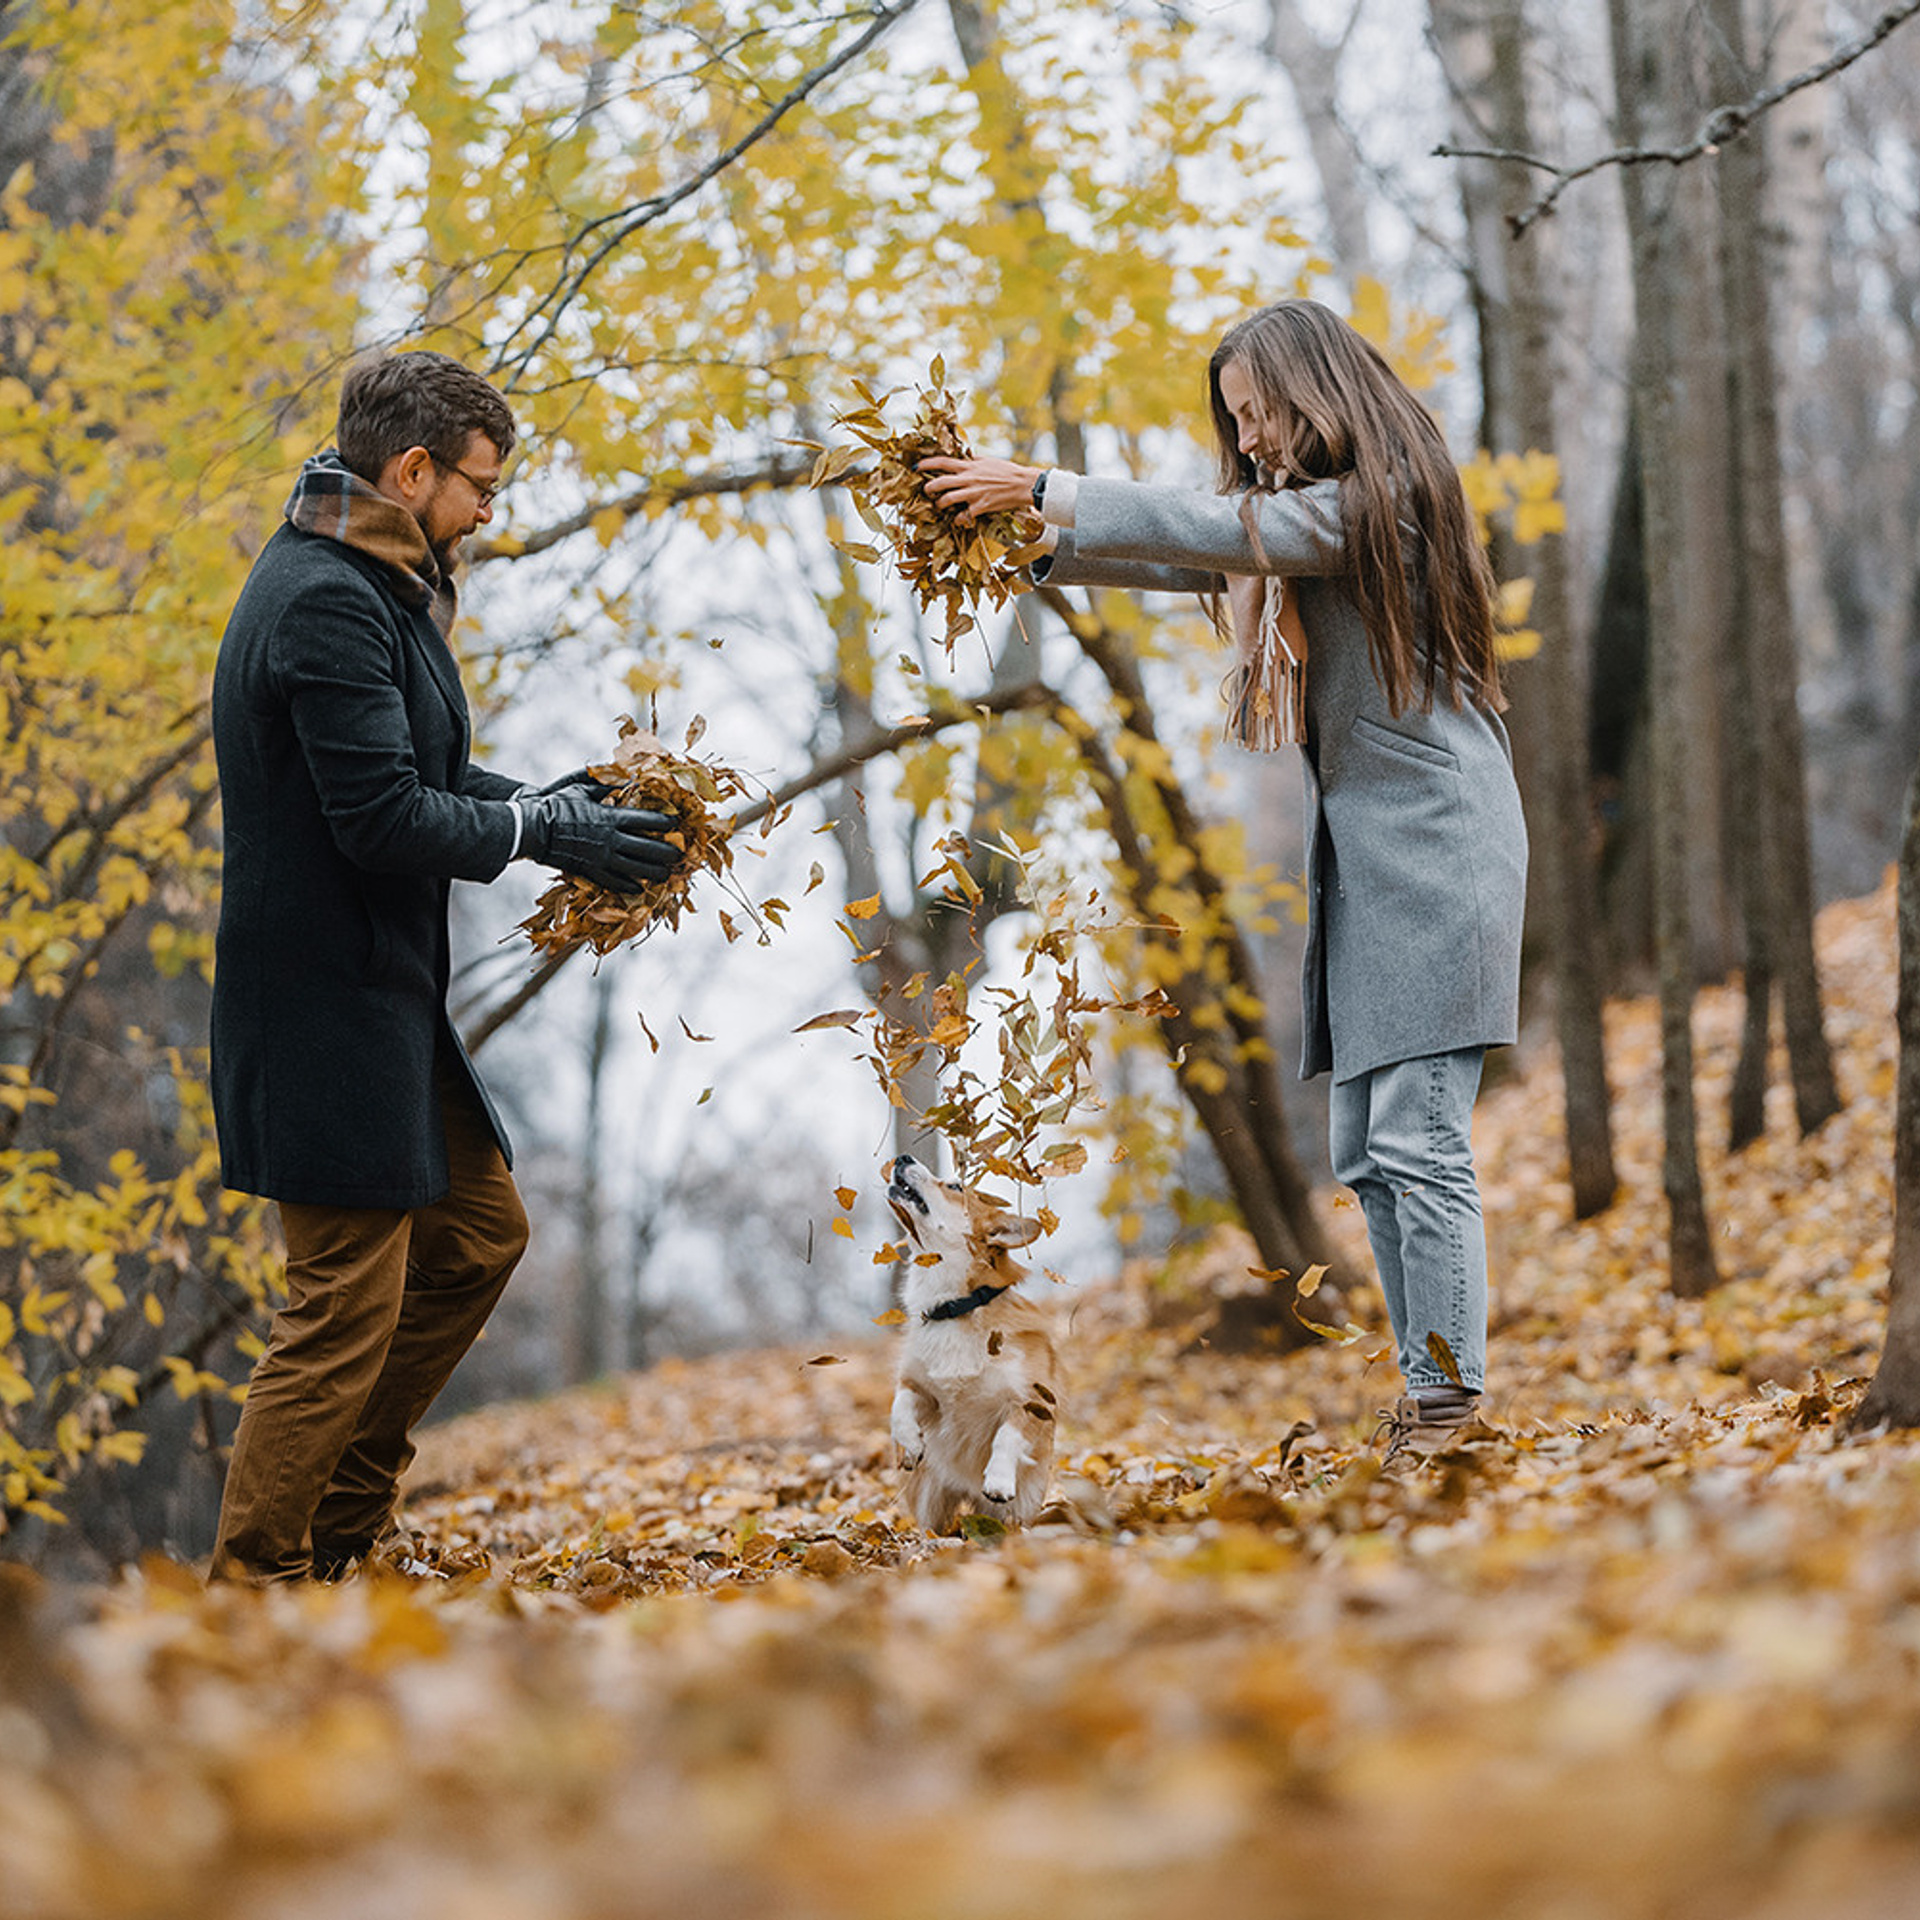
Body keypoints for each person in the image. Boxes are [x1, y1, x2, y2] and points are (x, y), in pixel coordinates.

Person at [922, 297, 1527, 1457]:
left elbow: (1231, 530)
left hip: (1441, 849)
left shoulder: (1381, 499)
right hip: (1374, 855)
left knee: (1417, 1139)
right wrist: (1036, 541)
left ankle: (1450, 1408)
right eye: (1236, 420)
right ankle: (1428, 1398)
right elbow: (1201, 542)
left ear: (1318, 392)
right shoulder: (1306, 517)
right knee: (1365, 1148)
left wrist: (1046, 487)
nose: (1247, 438)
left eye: (1259, 413)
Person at [208, 349, 683, 1581]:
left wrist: (548, 802)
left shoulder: (378, 580)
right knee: (337, 1310)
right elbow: (382, 820)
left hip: (381, 1005)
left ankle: (338, 1526)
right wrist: (540, 833)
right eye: (479, 486)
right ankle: (252, 1589)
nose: (487, 511)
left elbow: (418, 773)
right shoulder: (321, 596)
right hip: (317, 1012)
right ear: (411, 469)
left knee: (476, 1234)